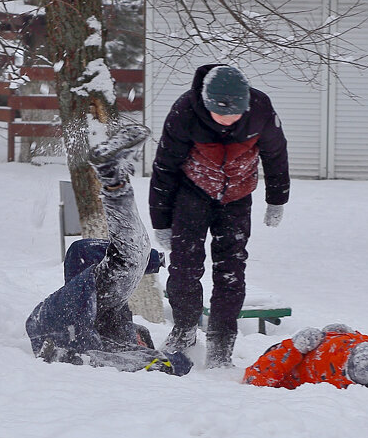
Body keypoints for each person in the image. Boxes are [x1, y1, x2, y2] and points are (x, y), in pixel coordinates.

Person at [149, 63, 290, 369]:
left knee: (231, 271)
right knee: (185, 267)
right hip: (192, 192)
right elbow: (164, 166)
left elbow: (276, 154)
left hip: (237, 197)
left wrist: (277, 199)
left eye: (234, 115)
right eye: (220, 114)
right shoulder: (185, 111)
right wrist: (161, 221)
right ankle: (184, 331)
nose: (227, 121)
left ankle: (221, 345)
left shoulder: (261, 109)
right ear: (206, 102)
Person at [26, 123, 192, 376]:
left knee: (132, 255)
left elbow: (84, 252)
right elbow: (99, 359)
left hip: (76, 306)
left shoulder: (85, 311)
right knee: (133, 255)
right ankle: (113, 178)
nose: (138, 342)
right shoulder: (99, 324)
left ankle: (114, 178)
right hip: (79, 307)